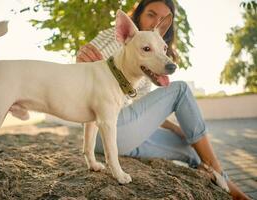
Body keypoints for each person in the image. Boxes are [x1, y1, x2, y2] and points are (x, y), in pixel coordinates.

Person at [76, 0, 250, 199]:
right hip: (102, 127)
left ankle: (229, 189)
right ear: (139, 14)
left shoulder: (148, 62)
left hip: (123, 137)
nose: (155, 22)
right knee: (181, 90)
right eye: (151, 14)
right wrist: (81, 57)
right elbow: (85, 63)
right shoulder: (116, 36)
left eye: (162, 19)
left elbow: (141, 106)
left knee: (192, 149)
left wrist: (178, 130)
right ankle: (221, 173)